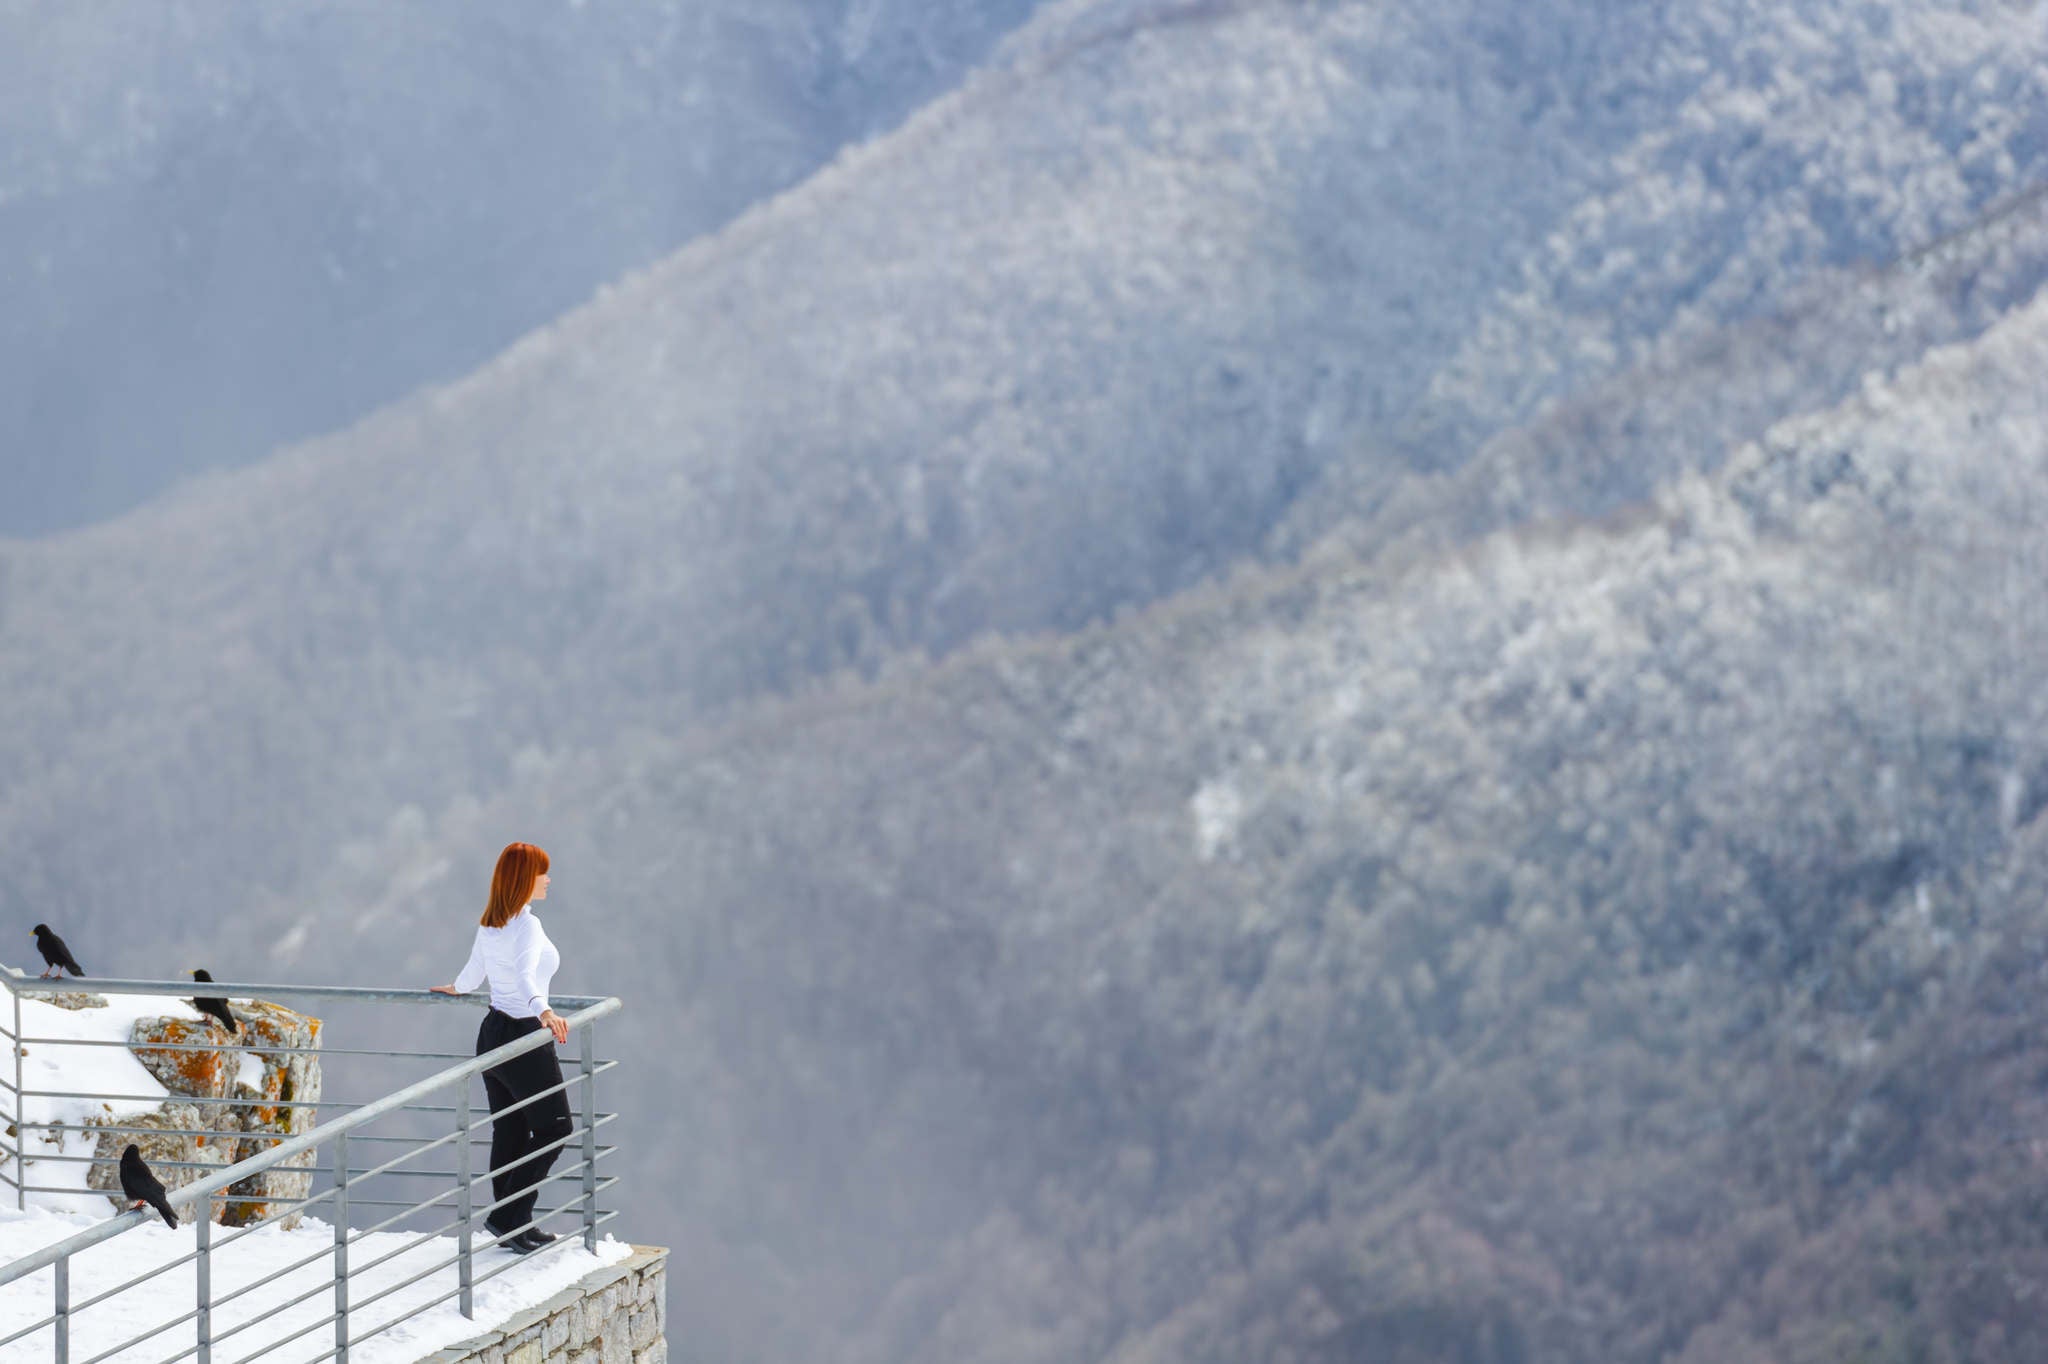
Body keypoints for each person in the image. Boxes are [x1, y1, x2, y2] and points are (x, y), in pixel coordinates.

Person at [432, 841, 572, 1254]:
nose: (548, 879)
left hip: (492, 1033)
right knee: (555, 1127)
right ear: (526, 879)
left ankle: (514, 1223)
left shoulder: (491, 922)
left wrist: (455, 988)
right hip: (524, 1035)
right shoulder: (528, 925)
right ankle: (509, 1216)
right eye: (542, 873)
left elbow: (475, 975)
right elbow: (527, 976)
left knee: (509, 1128)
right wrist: (545, 1012)